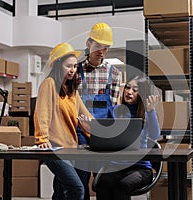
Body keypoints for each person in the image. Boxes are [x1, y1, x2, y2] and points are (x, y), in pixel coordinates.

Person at [34, 42, 93, 200]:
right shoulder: (49, 84)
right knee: (76, 188)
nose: (73, 70)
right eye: (69, 66)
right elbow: (42, 113)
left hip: (70, 148)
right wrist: (42, 139)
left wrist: (97, 128)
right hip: (54, 148)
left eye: (74, 66)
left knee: (60, 192)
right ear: (58, 65)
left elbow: (85, 114)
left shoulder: (72, 91)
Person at [95, 75, 161, 200]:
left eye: (135, 90)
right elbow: (105, 136)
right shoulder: (114, 110)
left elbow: (155, 135)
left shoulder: (147, 113)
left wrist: (151, 111)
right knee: (103, 184)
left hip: (141, 168)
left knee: (122, 186)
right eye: (127, 87)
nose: (129, 92)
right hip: (116, 165)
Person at [76, 22, 121, 200]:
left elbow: (116, 107)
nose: (101, 51)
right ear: (88, 44)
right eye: (97, 45)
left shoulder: (114, 73)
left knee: (103, 181)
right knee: (81, 177)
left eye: (105, 47)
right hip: (80, 132)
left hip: (104, 133)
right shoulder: (76, 71)